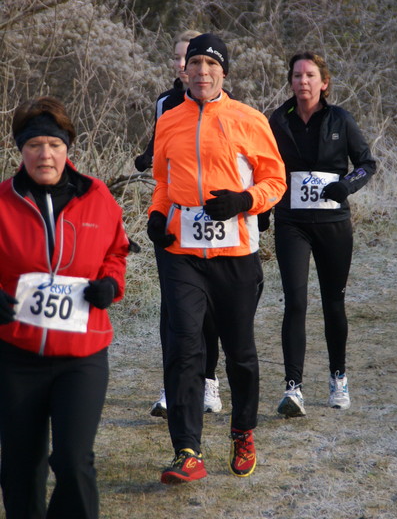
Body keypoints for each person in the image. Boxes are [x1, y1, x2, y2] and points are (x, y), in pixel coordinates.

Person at [147, 33, 286, 483]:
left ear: (223, 72)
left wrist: (244, 201)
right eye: (195, 63)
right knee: (184, 346)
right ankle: (186, 450)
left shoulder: (249, 119)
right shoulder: (168, 121)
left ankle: (243, 431)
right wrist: (156, 215)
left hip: (235, 254)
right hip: (181, 254)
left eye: (211, 64)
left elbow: (275, 182)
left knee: (239, 351)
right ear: (183, 70)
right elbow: (163, 184)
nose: (202, 71)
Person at [0, 97, 129, 519]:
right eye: (34, 144)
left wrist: (110, 283)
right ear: (20, 150)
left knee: (74, 462)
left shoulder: (96, 196)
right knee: (20, 466)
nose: (45, 154)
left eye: (53, 144)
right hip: (16, 355)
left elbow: (117, 250)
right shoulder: (3, 200)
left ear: (67, 147)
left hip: (82, 355)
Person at [269, 51, 376, 418]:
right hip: (292, 223)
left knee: (333, 302)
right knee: (295, 301)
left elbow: (367, 163)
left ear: (323, 82)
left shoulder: (340, 119)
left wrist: (346, 186)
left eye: (310, 75)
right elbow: (262, 166)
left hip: (333, 224)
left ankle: (338, 377)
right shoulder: (277, 121)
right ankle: (293, 388)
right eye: (297, 75)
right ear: (291, 81)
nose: (303, 81)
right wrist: (264, 209)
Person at [135, 30, 222, 417]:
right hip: (172, 218)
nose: (184, 65)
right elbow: (162, 151)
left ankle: (210, 381)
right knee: (173, 308)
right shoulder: (165, 103)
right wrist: (146, 157)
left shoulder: (224, 105)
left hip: (213, 221)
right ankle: (172, 385)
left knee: (209, 309)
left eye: (191, 57)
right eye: (179, 58)